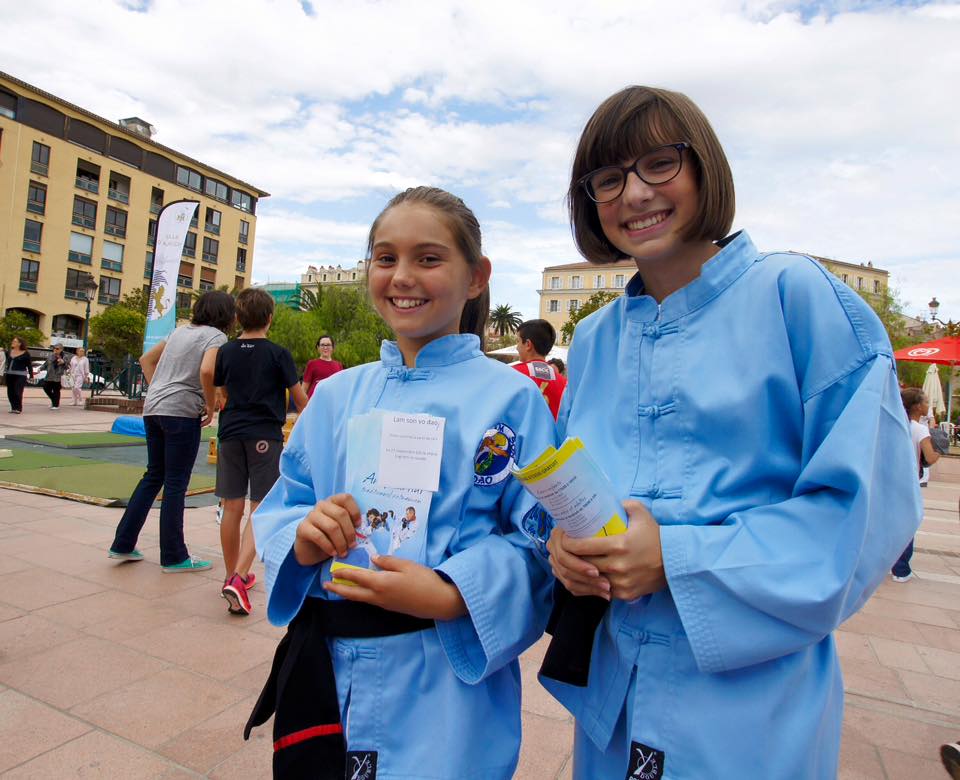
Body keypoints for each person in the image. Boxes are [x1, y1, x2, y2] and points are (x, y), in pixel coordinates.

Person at [540, 86, 922, 779]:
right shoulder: (593, 340)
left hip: (747, 706)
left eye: (659, 163)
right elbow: (579, 491)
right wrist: (565, 549)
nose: (634, 194)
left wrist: (678, 557)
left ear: (704, 167)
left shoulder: (797, 297)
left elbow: (864, 515)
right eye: (608, 178)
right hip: (613, 691)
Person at [245, 186, 558, 779]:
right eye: (385, 258)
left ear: (476, 276)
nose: (403, 277)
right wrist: (304, 537)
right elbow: (286, 501)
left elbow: (540, 543)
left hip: (446, 682)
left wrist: (451, 592)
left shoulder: (511, 398)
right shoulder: (337, 396)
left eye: (429, 258)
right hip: (329, 670)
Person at [108, 291, 236, 572]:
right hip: (180, 412)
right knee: (176, 482)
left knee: (154, 475)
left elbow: (146, 360)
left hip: (154, 409)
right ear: (225, 314)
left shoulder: (179, 331)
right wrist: (209, 404)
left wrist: (159, 389)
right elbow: (206, 371)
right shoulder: (216, 337)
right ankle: (174, 555)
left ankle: (123, 543)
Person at [215, 287, 307, 615]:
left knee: (232, 506)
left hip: (230, 433)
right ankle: (239, 577)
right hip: (264, 436)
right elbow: (300, 400)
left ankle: (231, 575)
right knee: (261, 507)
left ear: (238, 317)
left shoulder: (225, 352)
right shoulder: (278, 354)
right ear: (270, 318)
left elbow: (219, 389)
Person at [892, 388, 941, 583]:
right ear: (918, 406)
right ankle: (901, 569)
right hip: (909, 481)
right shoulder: (920, 429)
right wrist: (938, 453)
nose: (928, 406)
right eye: (926, 402)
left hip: (893, 479)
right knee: (908, 523)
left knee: (892, 522)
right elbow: (929, 457)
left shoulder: (897, 425)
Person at [512, 318, 567, 419]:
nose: (517, 347)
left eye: (518, 341)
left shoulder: (512, 374)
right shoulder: (565, 384)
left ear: (528, 344)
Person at [4, 336, 33, 414]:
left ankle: (18, 408)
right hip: (10, 374)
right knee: (10, 392)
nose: (13, 342)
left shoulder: (26, 353)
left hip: (20, 375)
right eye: (13, 341)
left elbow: (29, 365)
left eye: (15, 341)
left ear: (20, 343)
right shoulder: (9, 351)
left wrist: (31, 375)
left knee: (18, 391)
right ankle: (13, 407)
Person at [41, 343, 68, 410]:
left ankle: (56, 405)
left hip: (58, 376)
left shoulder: (64, 356)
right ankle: (54, 400)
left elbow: (67, 366)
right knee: (45, 388)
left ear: (61, 349)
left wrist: (63, 362)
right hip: (49, 376)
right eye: (54, 348)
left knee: (56, 390)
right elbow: (46, 364)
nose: (55, 350)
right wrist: (40, 368)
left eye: (57, 348)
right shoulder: (51, 356)